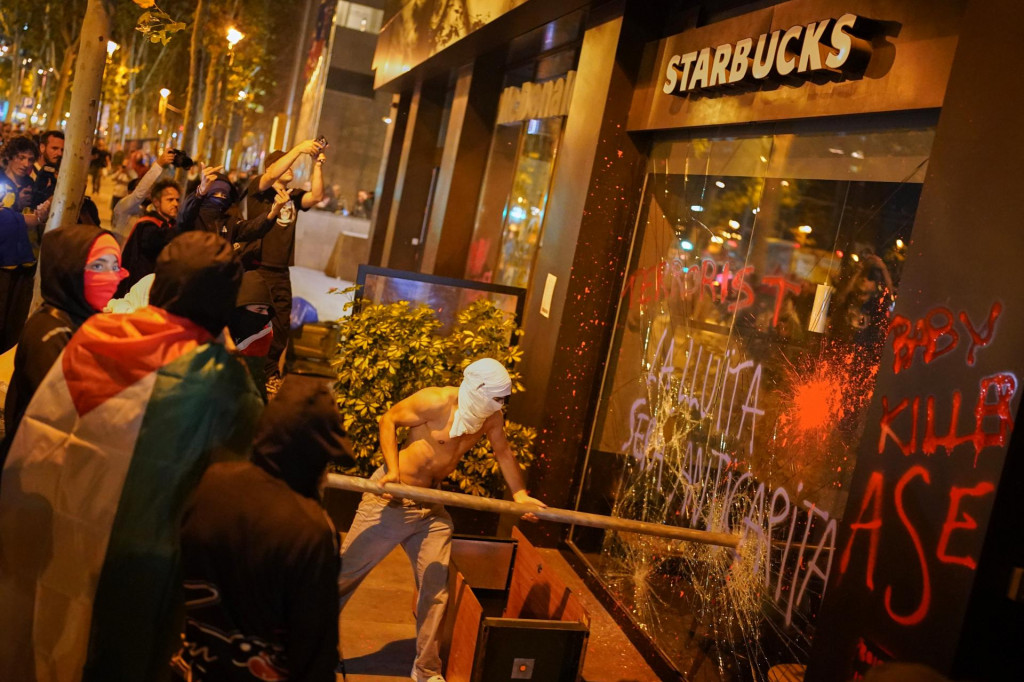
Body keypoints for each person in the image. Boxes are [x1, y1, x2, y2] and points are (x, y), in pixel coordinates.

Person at [0, 231, 263, 682]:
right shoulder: (220, 381)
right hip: (143, 567)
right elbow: (242, 485)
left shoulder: (94, 334)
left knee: (49, 643)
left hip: (59, 536)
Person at [338, 358, 544, 682]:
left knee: (436, 591)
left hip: (431, 507)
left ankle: (425, 670)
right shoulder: (436, 401)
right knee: (342, 576)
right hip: (393, 499)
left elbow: (503, 452)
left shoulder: (490, 417)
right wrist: (391, 471)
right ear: (477, 389)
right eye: (496, 397)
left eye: (504, 399)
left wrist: (519, 495)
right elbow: (388, 419)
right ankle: (306, 645)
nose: (500, 405)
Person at [177, 375, 352, 681]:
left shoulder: (212, 483)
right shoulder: (310, 529)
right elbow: (313, 645)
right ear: (313, 455)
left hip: (200, 668)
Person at [1, 224, 126, 466]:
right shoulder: (49, 331)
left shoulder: (81, 319)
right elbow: (61, 413)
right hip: (35, 466)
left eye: (115, 267)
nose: (110, 277)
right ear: (68, 271)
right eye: (98, 266)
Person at [244, 139, 325, 388]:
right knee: (252, 323)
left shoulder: (293, 196)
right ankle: (248, 374)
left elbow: (317, 196)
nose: (291, 167)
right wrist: (299, 149)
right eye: (286, 163)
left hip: (281, 272)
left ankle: (270, 375)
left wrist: (318, 164)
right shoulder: (259, 192)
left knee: (280, 325)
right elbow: (269, 175)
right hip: (257, 268)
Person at [117, 178, 181, 295]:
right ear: (156, 202)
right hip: (140, 291)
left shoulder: (171, 225)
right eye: (170, 200)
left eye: (177, 200)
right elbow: (158, 240)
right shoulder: (147, 225)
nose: (175, 204)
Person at [228, 271, 275, 400]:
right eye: (259, 310)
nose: (265, 315)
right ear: (240, 308)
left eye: (267, 310)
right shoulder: (218, 334)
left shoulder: (262, 336)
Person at [111, 148, 176, 240]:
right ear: (130, 192)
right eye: (145, 189)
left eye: (150, 189)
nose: (148, 191)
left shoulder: (150, 214)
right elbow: (139, 193)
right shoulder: (124, 206)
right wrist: (158, 164)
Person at [31, 129, 64, 207]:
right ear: (42, 147)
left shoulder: (61, 176)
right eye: (54, 148)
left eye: (62, 150)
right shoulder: (28, 171)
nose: (59, 153)